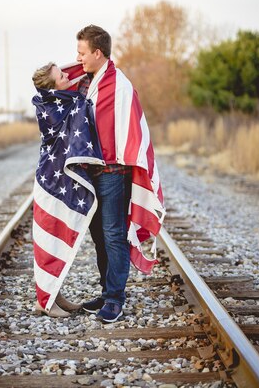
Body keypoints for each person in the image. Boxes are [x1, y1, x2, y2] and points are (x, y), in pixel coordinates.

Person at [75, 25, 165, 324]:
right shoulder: (86, 82)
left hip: (113, 173)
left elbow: (131, 128)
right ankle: (106, 291)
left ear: (97, 53)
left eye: (82, 53)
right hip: (91, 172)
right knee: (98, 234)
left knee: (114, 235)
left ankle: (116, 299)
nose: (78, 59)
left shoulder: (119, 86)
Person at [30, 62, 105, 318]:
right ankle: (46, 302)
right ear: (53, 88)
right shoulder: (55, 107)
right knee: (51, 239)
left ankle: (55, 296)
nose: (68, 76)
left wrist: (70, 72)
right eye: (62, 76)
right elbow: (80, 108)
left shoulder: (59, 100)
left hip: (58, 179)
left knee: (58, 239)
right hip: (51, 183)